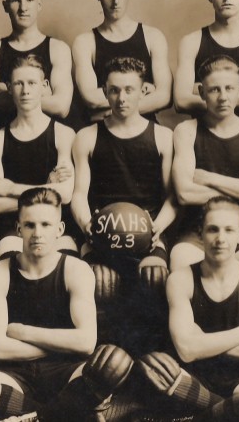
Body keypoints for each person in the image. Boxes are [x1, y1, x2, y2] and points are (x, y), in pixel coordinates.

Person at [0, 188, 133, 420]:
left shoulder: (76, 270)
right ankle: (67, 413)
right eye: (30, 225)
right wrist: (63, 343)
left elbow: (86, 343)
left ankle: (33, 415)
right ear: (18, 229)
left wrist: (22, 331)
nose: (37, 233)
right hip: (15, 375)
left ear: (59, 230)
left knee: (115, 361)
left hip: (67, 372)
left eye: (46, 224)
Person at [136, 196, 239, 421]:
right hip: (196, 376)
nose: (220, 239)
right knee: (154, 371)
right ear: (201, 234)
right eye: (213, 230)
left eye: (229, 230)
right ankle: (226, 411)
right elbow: (186, 350)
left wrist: (202, 340)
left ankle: (208, 413)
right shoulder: (180, 279)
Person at [71, 57, 176, 352]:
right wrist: (86, 225)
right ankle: (104, 359)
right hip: (101, 230)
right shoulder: (87, 137)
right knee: (99, 280)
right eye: (115, 90)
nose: (122, 98)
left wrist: (157, 228)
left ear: (144, 91)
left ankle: (148, 358)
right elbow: (79, 194)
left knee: (154, 275)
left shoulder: (163, 137)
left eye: (129, 90)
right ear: (105, 91)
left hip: (149, 232)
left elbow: (173, 198)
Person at [170, 55, 239, 274]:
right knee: (181, 261)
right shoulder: (186, 131)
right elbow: (185, 194)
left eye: (229, 88)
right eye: (214, 90)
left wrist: (209, 178)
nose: (223, 97)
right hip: (198, 228)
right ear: (201, 93)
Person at [0, 54, 77, 260]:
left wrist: (11, 189)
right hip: (15, 228)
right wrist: (46, 187)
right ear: (9, 87)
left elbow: (66, 194)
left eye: (32, 83)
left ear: (44, 86)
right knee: (14, 266)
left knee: (65, 266)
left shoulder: (63, 134)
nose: (25, 91)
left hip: (56, 228)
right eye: (18, 83)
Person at [73, 0, 172, 123]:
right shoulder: (84, 42)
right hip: (103, 132)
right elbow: (91, 98)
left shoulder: (153, 36)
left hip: (145, 130)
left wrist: (111, 111)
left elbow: (164, 97)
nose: (116, 1)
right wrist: (140, 93)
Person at [0, 0, 73, 132]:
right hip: (5, 141)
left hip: (49, 141)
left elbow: (61, 107)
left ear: (39, 4)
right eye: (15, 0)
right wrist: (41, 94)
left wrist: (6, 91)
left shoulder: (58, 48)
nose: (23, 7)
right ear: (5, 5)